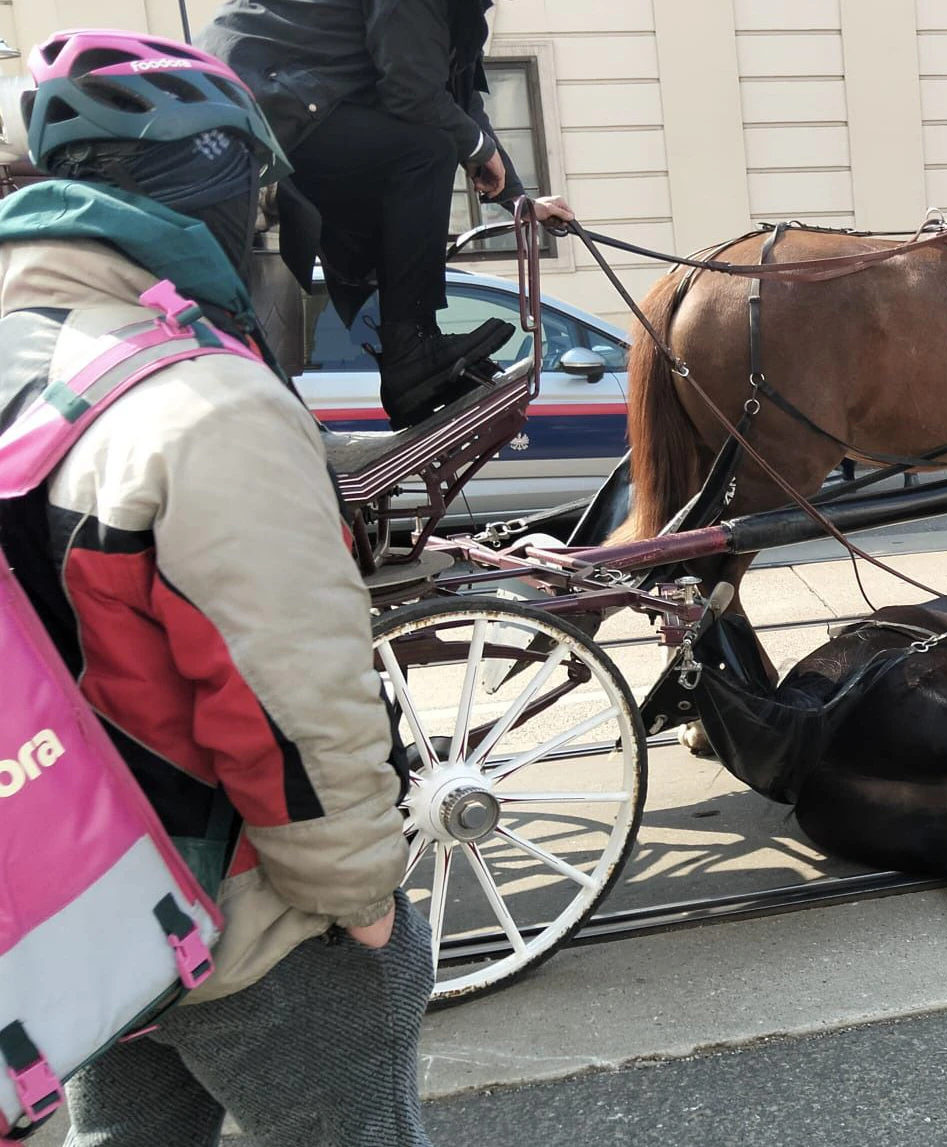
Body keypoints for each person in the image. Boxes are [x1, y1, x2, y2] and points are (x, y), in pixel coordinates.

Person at [0, 31, 431, 1143]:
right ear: (222, 187)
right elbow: (288, 693)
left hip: (85, 898)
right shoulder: (207, 405)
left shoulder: (21, 359)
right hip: (248, 920)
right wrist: (363, 900)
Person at [199, 0, 575, 431]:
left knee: (421, 148)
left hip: (285, 98)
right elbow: (413, 91)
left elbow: (454, 98)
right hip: (258, 103)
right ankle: (410, 354)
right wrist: (477, 149)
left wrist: (519, 201)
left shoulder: (451, 14)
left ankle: (412, 361)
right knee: (424, 149)